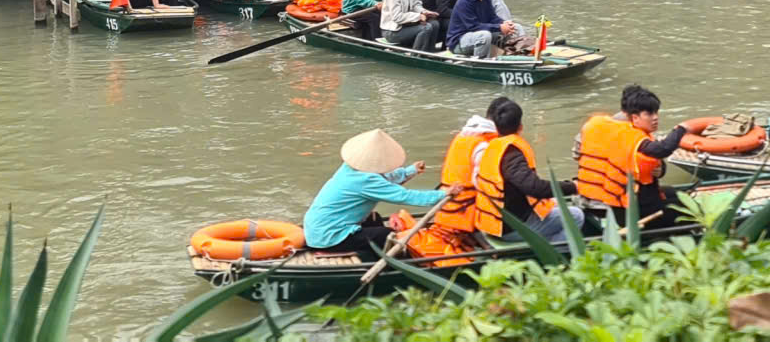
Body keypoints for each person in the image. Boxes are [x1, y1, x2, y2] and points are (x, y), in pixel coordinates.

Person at [299, 129, 460, 255]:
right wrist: (444, 194)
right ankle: (389, 264)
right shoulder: (366, 180)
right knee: (386, 234)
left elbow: (383, 179)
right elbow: (404, 196)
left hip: (316, 230)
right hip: (330, 237)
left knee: (374, 219)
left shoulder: (349, 168)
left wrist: (410, 171)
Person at [575, 86, 700, 222]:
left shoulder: (598, 125)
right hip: (614, 203)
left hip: (602, 194)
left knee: (673, 193)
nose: (655, 118)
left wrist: (660, 169)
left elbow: (649, 159)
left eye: (656, 113)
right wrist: (681, 129)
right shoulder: (627, 134)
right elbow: (660, 149)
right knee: (685, 208)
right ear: (634, 116)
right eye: (649, 113)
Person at [474, 96, 575, 249]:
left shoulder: (490, 146)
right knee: (576, 215)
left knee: (553, 205)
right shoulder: (511, 153)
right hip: (509, 228)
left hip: (491, 222)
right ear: (520, 126)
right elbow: (534, 188)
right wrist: (574, 187)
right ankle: (554, 259)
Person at [445, 0, 522, 57]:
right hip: (460, 41)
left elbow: (493, 18)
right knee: (484, 36)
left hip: (479, 33)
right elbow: (473, 27)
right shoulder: (465, 1)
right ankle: (479, 63)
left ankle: (521, 55)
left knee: (517, 27)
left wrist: (505, 23)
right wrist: (500, 27)